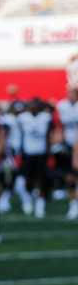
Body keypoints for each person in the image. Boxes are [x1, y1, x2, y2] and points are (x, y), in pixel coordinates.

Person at [17, 98, 52, 218]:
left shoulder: (45, 117)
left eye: (36, 105)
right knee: (27, 180)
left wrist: (49, 150)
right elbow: (20, 134)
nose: (33, 107)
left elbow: (48, 135)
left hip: (41, 152)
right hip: (28, 153)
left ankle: (40, 205)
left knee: (41, 180)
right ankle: (29, 199)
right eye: (32, 105)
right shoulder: (23, 117)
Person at [59, 85, 78, 220]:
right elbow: (59, 126)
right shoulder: (62, 106)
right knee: (69, 177)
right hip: (67, 146)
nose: (69, 96)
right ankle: (73, 204)